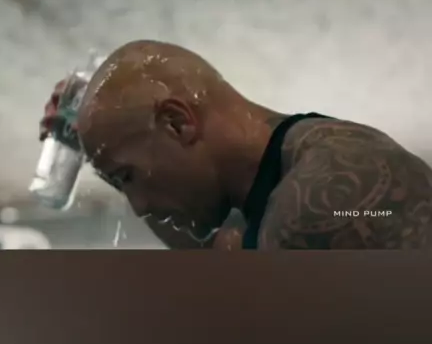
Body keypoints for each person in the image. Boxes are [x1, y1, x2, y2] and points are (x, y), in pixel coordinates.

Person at [39, 40, 432, 249]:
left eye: (128, 177)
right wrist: (102, 142)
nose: (139, 205)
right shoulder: (277, 196)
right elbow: (215, 249)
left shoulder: (322, 203)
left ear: (177, 123)